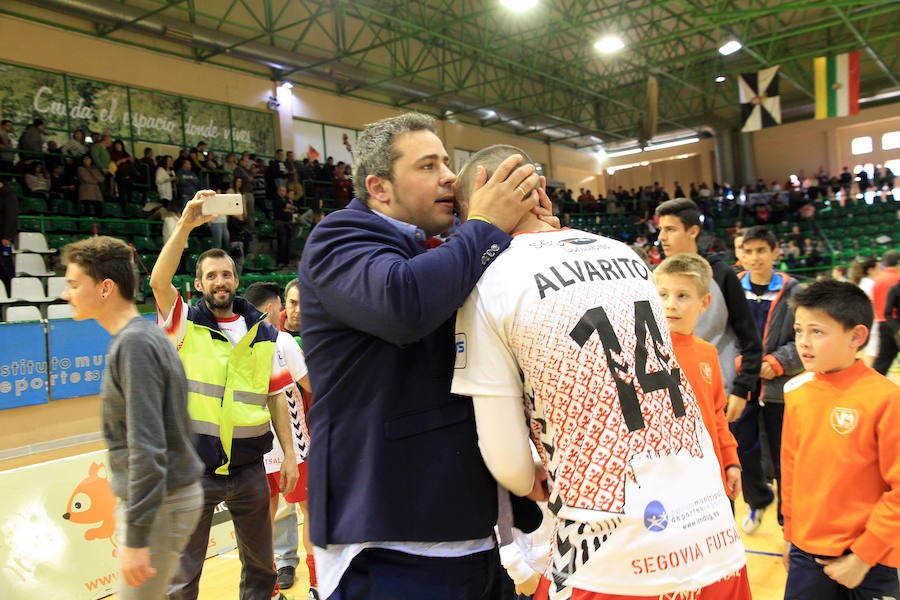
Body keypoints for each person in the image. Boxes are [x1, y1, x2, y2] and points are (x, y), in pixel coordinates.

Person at [451, 145, 751, 598]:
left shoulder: (487, 280)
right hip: (712, 529)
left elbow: (510, 466)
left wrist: (529, 471)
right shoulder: (628, 256)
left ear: (478, 196)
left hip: (612, 550)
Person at [298, 113, 541, 599]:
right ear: (379, 187)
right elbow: (402, 303)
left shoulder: (454, 248)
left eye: (448, 162)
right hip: (389, 531)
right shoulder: (338, 236)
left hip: (469, 522)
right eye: (429, 165)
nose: (449, 176)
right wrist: (487, 225)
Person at [150, 191, 300, 600]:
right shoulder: (183, 322)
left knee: (260, 571)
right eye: (211, 276)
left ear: (237, 279)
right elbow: (158, 281)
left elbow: (275, 398)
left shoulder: (265, 332)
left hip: (251, 470)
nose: (220, 282)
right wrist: (185, 224)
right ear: (198, 284)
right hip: (194, 471)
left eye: (227, 274)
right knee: (183, 577)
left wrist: (288, 454)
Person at [60, 236, 204, 599]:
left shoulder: (135, 344)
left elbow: (147, 446)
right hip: (167, 502)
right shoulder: (145, 336)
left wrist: (138, 536)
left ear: (106, 288)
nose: (67, 294)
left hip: (159, 509)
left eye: (75, 284)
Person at [782, 280, 900, 598]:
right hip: (807, 555)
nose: (803, 342)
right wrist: (789, 535)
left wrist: (863, 557)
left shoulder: (887, 398)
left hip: (873, 561)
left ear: (857, 336)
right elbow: (791, 470)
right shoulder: (795, 391)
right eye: (799, 330)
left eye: (817, 332)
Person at [655, 197, 766, 532]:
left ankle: (756, 503)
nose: (662, 236)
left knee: (733, 458)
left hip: (718, 389)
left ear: (693, 231)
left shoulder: (720, 276)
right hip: (672, 410)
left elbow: (750, 338)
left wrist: (742, 388)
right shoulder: (653, 278)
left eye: (671, 229)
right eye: (660, 229)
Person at [245, 281, 314, 600]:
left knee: (261, 524)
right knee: (309, 514)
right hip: (293, 448)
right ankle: (317, 585)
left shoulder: (239, 342)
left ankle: (269, 591)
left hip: (256, 449)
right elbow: (312, 385)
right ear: (274, 307)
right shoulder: (282, 339)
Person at [653, 253, 742, 502]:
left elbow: (717, 413)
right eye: (663, 294)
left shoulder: (708, 353)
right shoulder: (642, 350)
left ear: (704, 303)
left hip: (707, 473)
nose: (671, 304)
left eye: (683, 296)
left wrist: (730, 460)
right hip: (663, 479)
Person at [736, 225, 804, 530]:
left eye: (761, 250)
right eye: (748, 251)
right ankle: (758, 503)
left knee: (784, 455)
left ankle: (787, 516)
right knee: (745, 451)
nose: (754, 257)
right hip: (744, 386)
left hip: (780, 387)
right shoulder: (733, 287)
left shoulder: (794, 291)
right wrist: (742, 361)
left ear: (775, 252)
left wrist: (778, 361)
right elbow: (725, 332)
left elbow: (804, 335)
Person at [871, 250, 900, 374]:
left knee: (882, 362)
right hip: (896, 323)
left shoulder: (877, 280)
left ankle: (873, 387)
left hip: (882, 323)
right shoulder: (897, 278)